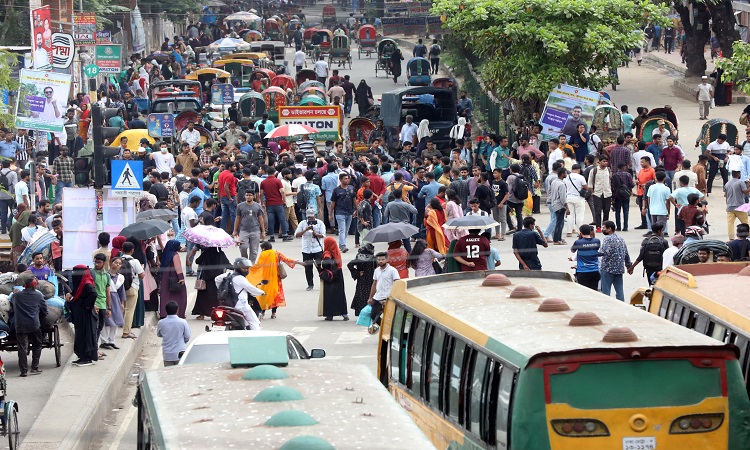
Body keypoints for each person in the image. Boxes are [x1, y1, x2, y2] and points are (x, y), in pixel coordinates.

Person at [11, 272, 47, 376]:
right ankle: (34, 367)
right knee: (37, 344)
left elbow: (12, 305)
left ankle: (23, 371)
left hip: (20, 326)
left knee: (22, 348)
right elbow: (44, 310)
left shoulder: (16, 296)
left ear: (24, 286)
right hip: (34, 325)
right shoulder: (38, 296)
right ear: (35, 286)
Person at [66, 265, 99, 366]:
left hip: (84, 315)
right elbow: (77, 292)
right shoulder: (81, 283)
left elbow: (93, 294)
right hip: (80, 315)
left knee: (85, 335)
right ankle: (82, 356)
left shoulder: (86, 283)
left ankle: (86, 358)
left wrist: (87, 305)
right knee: (80, 334)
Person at [191, 246, 231, 320]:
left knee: (203, 297)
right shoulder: (221, 254)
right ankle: (217, 314)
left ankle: (201, 314)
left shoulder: (206, 253)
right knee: (216, 297)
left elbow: (197, 261)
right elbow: (228, 265)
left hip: (207, 279)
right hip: (217, 280)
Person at [367, 252, 400, 334]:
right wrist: (370, 297)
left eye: (382, 259)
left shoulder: (392, 270)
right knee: (373, 315)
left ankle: (392, 331)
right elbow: (374, 284)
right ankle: (386, 329)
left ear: (387, 260)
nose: (380, 261)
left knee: (390, 317)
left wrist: (393, 296)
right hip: (377, 297)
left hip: (388, 297)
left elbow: (397, 283)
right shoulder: (376, 271)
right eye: (379, 259)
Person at [598, 221, 631, 301]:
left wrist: (592, 253)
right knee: (619, 291)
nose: (603, 230)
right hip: (619, 269)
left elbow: (603, 252)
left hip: (607, 269)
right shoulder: (621, 239)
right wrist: (628, 266)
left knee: (606, 292)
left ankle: (608, 307)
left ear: (609, 229)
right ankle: (621, 306)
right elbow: (626, 253)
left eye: (604, 228)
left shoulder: (607, 239)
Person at [318, 237, 349, 321]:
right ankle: (344, 314)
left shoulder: (327, 253)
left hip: (330, 276)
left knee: (329, 295)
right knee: (340, 294)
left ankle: (330, 315)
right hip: (338, 275)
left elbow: (326, 265)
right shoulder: (337, 252)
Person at [233, 190, 266, 263]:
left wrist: (263, 231)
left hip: (255, 230)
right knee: (243, 247)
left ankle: (251, 266)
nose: (248, 197)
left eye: (250, 195)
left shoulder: (258, 206)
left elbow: (261, 219)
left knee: (254, 251)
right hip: (243, 230)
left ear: (253, 196)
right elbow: (237, 218)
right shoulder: (240, 206)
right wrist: (235, 231)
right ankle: (245, 262)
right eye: (246, 195)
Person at [157, 240, 186, 319]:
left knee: (166, 295)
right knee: (180, 295)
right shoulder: (175, 255)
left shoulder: (166, 254)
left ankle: (164, 313)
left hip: (165, 278)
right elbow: (178, 268)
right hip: (174, 277)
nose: (179, 247)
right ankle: (179, 313)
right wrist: (181, 279)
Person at [156, 301, 191, 366]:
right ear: (177, 310)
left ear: (166, 310)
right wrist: (182, 342)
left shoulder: (161, 322)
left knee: (169, 374)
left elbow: (159, 334)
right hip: (180, 352)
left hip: (167, 353)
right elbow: (187, 336)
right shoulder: (183, 322)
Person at [102, 256, 125, 350]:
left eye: (119, 264)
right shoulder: (105, 275)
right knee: (107, 321)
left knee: (116, 320)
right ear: (111, 263)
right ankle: (104, 341)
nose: (117, 265)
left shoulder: (120, 277)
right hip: (106, 298)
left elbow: (121, 291)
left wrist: (122, 303)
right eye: (116, 262)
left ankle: (111, 340)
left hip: (116, 299)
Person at [330, 173, 356, 252]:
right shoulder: (336, 190)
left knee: (346, 230)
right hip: (340, 212)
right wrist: (330, 214)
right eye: (345, 178)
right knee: (342, 229)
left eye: (348, 178)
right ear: (341, 180)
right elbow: (333, 202)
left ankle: (342, 244)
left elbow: (354, 199)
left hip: (349, 212)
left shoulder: (351, 188)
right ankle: (343, 245)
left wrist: (357, 209)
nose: (347, 180)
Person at [571, 225, 601, 290]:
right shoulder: (597, 241)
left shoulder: (578, 242)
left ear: (581, 233)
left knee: (584, 291)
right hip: (595, 270)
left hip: (582, 271)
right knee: (594, 291)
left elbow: (573, 251)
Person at [725, 171, 750, 239]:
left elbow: (726, 196)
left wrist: (727, 204)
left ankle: (731, 239)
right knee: (745, 222)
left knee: (730, 224)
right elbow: (746, 192)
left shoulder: (727, 183)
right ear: (738, 174)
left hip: (730, 206)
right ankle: (748, 236)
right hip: (741, 205)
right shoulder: (740, 182)